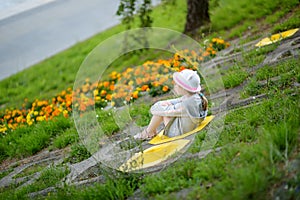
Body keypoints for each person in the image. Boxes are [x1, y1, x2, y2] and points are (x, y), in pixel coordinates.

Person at [134, 69, 208, 140]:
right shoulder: (194, 97)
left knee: (161, 114)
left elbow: (165, 111)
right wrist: (164, 104)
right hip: (190, 126)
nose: (174, 86)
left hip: (179, 132)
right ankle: (150, 131)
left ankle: (148, 132)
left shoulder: (186, 105)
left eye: (176, 85)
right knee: (163, 109)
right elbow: (175, 101)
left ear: (183, 88)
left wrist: (156, 107)